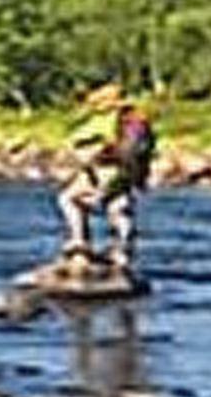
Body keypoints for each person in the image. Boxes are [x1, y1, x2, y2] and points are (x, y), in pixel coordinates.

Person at [57, 84, 157, 274]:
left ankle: (80, 245)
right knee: (119, 209)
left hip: (104, 169)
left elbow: (74, 141)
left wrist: (86, 153)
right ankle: (123, 254)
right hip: (130, 173)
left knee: (68, 199)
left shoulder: (104, 119)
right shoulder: (139, 119)